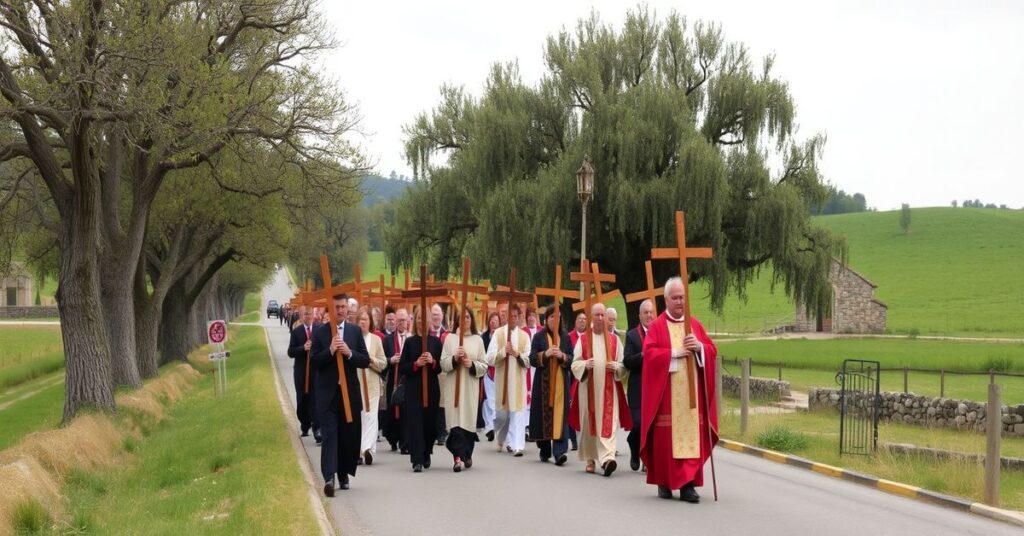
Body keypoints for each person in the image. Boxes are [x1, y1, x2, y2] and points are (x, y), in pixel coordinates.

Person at [640, 277, 718, 503]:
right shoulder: (657, 327)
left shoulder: (695, 325)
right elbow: (650, 356)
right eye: (674, 298)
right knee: (666, 440)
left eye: (682, 297)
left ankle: (688, 485)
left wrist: (700, 348)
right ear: (666, 300)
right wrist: (674, 354)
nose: (679, 302)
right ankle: (664, 482)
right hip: (667, 397)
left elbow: (712, 350)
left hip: (692, 400)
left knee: (691, 438)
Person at [309, 293, 370, 496]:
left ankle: (343, 474)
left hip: (349, 394)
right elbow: (314, 361)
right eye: (337, 307)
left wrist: (349, 352)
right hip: (328, 394)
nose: (341, 310)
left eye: (343, 307)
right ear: (331, 309)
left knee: (347, 435)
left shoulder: (354, 331)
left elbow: (364, 360)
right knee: (329, 435)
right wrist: (330, 350)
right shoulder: (320, 332)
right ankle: (329, 477)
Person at [569, 303, 630, 476]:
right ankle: (590, 459)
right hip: (588, 390)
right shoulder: (583, 339)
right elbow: (574, 364)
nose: (600, 318)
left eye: (603, 315)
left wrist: (616, 367)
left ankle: (607, 459)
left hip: (609, 391)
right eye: (597, 315)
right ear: (592, 317)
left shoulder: (615, 341)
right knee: (589, 423)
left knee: (609, 423)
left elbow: (623, 365)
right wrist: (585, 365)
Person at [440, 306, 488, 472]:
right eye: (462, 317)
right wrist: (454, 359)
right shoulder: (450, 339)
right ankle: (458, 459)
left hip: (469, 388)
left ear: (471, 320)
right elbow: (443, 364)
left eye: (468, 317)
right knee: (455, 424)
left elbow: (484, 365)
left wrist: (470, 364)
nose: (465, 320)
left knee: (467, 423)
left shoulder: (478, 340)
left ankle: (466, 454)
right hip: (453, 387)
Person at [398, 306, 444, 472]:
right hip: (414, 389)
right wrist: (416, 364)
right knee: (415, 423)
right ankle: (416, 459)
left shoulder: (435, 342)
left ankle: (426, 452)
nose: (421, 321)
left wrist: (432, 361)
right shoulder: (410, 342)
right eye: (418, 318)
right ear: (415, 320)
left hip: (431, 388)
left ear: (430, 321)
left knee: (429, 423)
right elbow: (403, 367)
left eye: (425, 319)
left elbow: (440, 368)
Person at [528, 308, 574, 466]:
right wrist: (545, 354)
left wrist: (563, 356)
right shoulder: (538, 337)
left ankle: (559, 452)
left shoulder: (566, 337)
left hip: (561, 384)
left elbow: (572, 359)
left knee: (560, 417)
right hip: (543, 385)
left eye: (558, 317)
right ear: (546, 319)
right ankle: (545, 448)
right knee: (543, 417)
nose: (555, 320)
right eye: (552, 317)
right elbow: (532, 358)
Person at [486, 303, 531, 456]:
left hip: (518, 382)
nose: (513, 319)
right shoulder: (499, 334)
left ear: (519, 318)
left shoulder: (524, 336)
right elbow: (489, 358)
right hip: (502, 382)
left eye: (515, 316)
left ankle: (517, 445)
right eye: (510, 316)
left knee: (517, 413)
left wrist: (517, 354)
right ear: (506, 317)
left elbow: (529, 360)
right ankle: (500, 437)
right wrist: (502, 352)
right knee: (502, 415)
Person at [624, 299, 655, 471]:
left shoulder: (659, 333)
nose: (649, 315)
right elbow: (627, 361)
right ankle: (633, 444)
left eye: (651, 312)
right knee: (638, 424)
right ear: (640, 315)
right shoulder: (632, 335)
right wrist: (642, 355)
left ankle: (647, 461)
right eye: (646, 312)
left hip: (654, 388)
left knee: (651, 426)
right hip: (637, 388)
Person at [357, 307, 387, 466]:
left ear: (370, 322)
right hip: (357, 385)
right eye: (360, 319)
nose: (362, 322)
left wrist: (371, 360)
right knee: (359, 418)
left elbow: (383, 363)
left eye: (365, 319)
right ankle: (359, 450)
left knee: (371, 417)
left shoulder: (376, 340)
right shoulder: (352, 339)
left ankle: (367, 449)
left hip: (372, 385)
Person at [286, 306, 320, 442]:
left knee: (315, 400)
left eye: (310, 314)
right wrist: (303, 348)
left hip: (315, 372)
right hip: (301, 372)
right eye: (305, 314)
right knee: (302, 400)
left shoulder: (319, 330)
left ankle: (317, 429)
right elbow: (290, 352)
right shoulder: (297, 332)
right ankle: (305, 425)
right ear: (301, 316)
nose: (308, 316)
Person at [382, 308, 410, 453]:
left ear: (408, 321)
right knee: (392, 412)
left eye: (403, 320)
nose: (400, 323)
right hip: (393, 380)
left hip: (407, 381)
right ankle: (393, 439)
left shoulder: (411, 339)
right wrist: (390, 360)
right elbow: (382, 360)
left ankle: (405, 443)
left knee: (406, 412)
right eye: (398, 320)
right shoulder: (388, 340)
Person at [429, 303, 449, 445]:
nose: (436, 317)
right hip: (429, 371)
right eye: (433, 315)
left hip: (442, 373)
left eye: (438, 314)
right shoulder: (426, 333)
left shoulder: (447, 334)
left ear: (442, 316)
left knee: (442, 403)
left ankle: (442, 433)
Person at [480, 311, 500, 440]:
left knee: (497, 400)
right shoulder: (484, 336)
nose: (493, 322)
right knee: (488, 400)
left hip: (499, 371)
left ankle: (496, 424)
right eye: (491, 320)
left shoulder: (502, 336)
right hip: (487, 372)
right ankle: (489, 427)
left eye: (495, 320)